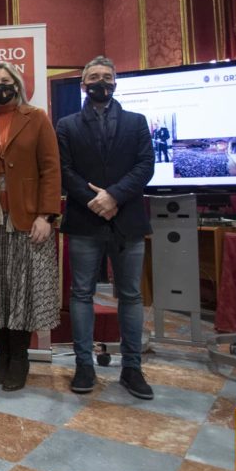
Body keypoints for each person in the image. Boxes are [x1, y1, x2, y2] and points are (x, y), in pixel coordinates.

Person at [55, 55, 156, 399]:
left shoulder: (137, 122)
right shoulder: (66, 125)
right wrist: (93, 200)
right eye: (94, 77)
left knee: (130, 295)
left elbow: (145, 167)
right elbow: (64, 170)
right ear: (83, 85)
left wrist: (113, 197)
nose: (101, 82)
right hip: (84, 219)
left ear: (115, 82)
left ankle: (132, 369)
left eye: (106, 76)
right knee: (81, 294)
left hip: (127, 218)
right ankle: (83, 366)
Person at [0, 61, 61, 391]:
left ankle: (20, 359)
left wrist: (46, 216)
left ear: (17, 84)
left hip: (28, 220)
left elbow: (50, 169)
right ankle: (1, 356)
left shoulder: (37, 118)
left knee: (21, 292)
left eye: (6, 80)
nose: (1, 86)